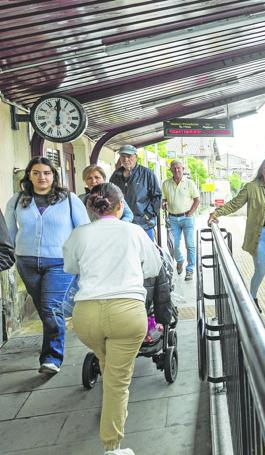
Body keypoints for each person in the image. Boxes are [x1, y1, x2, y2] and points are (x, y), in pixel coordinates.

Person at [63, 183, 162, 455]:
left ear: (91, 209)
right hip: (127, 313)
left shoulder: (79, 234)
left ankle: (110, 414)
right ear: (121, 207)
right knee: (118, 382)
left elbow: (70, 267)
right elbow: (153, 267)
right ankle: (112, 447)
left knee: (110, 370)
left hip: (86, 316)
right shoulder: (134, 231)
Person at [5, 157, 90, 374]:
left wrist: (82, 258)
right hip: (27, 261)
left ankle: (51, 358)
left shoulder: (69, 199)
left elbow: (83, 230)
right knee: (46, 310)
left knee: (50, 307)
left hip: (59, 262)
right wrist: (10, 255)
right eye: (36, 173)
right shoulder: (17, 201)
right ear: (29, 176)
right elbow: (8, 233)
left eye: (46, 173)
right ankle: (51, 345)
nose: (42, 177)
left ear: (54, 175)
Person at [207, 158, 265, 323]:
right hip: (261, 235)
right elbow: (235, 203)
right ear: (262, 172)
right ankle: (253, 297)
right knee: (260, 270)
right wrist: (216, 213)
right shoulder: (251, 187)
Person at [109, 144, 162, 240]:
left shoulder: (147, 173)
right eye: (123, 156)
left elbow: (157, 196)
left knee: (147, 253)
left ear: (136, 157)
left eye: (129, 156)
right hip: (123, 224)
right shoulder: (115, 175)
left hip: (144, 224)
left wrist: (147, 215)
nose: (125, 160)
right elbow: (110, 195)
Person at [162, 160, 200, 281]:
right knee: (174, 245)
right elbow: (163, 199)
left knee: (190, 245)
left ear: (183, 169)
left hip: (187, 218)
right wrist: (163, 203)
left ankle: (190, 270)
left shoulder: (189, 183)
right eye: (174, 168)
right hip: (172, 218)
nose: (177, 170)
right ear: (171, 170)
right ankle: (179, 261)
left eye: (179, 168)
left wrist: (191, 213)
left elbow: (197, 199)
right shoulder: (166, 184)